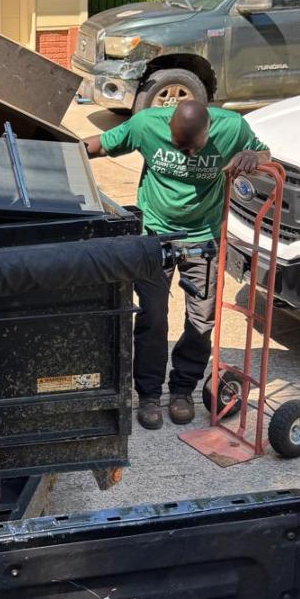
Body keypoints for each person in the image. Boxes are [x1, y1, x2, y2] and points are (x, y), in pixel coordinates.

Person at [84, 100, 269, 430]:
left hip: (203, 237)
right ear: (168, 126)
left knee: (202, 318)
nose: (185, 155)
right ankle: (150, 395)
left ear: (208, 131)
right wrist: (55, 153)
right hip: (154, 236)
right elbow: (99, 145)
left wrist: (256, 157)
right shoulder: (146, 125)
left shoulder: (232, 129)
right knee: (152, 316)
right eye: (178, 147)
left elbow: (265, 153)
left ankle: (183, 390)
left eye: (192, 148)